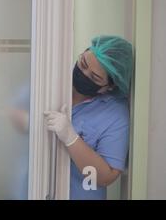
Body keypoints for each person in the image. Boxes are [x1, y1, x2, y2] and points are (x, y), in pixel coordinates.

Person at [44, 35, 133, 200]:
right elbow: (15, 112)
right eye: (83, 64)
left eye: (94, 77)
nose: (82, 74)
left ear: (109, 86)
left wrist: (71, 138)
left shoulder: (115, 114)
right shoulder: (52, 81)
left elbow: (108, 176)